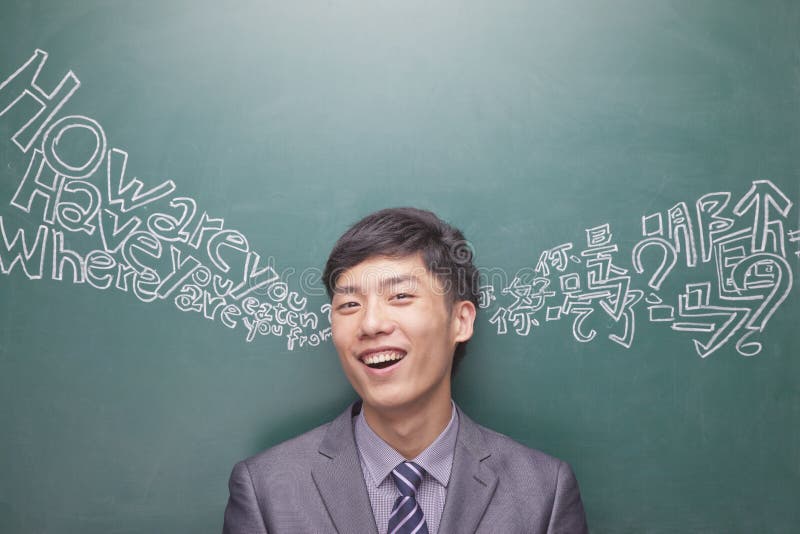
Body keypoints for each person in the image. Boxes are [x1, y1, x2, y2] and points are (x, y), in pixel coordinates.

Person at [222, 207, 588, 534]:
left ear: (460, 320)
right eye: (349, 304)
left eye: (400, 296)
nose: (371, 323)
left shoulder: (543, 492)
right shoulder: (266, 490)